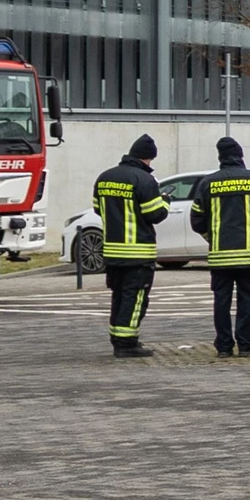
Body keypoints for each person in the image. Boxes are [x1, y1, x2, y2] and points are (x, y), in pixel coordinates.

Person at [193, 137, 250, 358]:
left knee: (221, 300)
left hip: (221, 256)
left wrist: (212, 239)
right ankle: (246, 344)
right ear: (241, 157)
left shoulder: (207, 183)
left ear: (220, 158)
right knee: (248, 299)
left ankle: (224, 346)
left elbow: (196, 220)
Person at [93, 134, 170, 358]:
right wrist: (165, 201)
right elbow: (154, 214)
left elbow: (98, 208)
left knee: (118, 297)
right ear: (148, 158)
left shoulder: (105, 177)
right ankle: (127, 344)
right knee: (135, 299)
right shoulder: (144, 180)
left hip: (112, 251)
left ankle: (117, 339)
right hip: (137, 252)